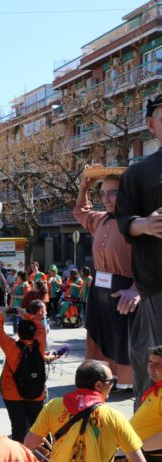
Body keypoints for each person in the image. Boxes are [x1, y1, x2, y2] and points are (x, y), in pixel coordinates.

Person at [24, 361, 147, 462]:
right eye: (111, 381)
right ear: (98, 385)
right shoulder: (115, 418)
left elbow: (28, 445)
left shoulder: (53, 406)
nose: (112, 384)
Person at [116, 95, 162, 404]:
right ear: (151, 125)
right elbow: (124, 221)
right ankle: (149, 446)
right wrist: (144, 224)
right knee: (152, 366)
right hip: (155, 286)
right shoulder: (139, 173)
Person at [74, 174, 138, 390]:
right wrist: (84, 189)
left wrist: (136, 288)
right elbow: (80, 211)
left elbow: (149, 259)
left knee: (122, 337)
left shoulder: (136, 222)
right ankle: (100, 375)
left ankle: (126, 381)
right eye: (102, 193)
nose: (106, 199)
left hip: (124, 289)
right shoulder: (100, 218)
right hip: (99, 288)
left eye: (112, 193)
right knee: (98, 333)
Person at [0, 307, 48, 442]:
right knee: (37, 427)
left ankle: (19, 458)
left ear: (18, 332)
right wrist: (25, 313)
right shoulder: (40, 343)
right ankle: (40, 456)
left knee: (18, 427)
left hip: (12, 394)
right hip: (36, 393)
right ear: (34, 333)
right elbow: (41, 326)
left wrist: (1, 314)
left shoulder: (10, 346)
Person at [130, 346, 162, 462]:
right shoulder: (156, 388)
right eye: (150, 362)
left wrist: (138, 448)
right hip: (150, 460)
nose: (151, 366)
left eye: (158, 364)